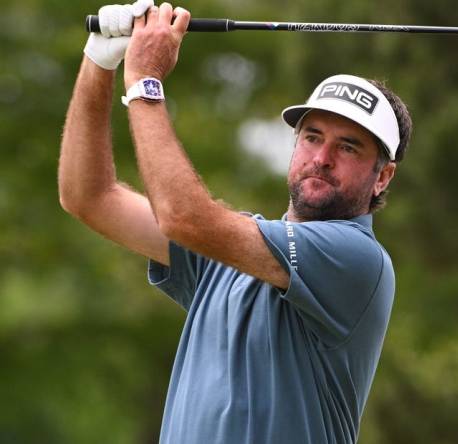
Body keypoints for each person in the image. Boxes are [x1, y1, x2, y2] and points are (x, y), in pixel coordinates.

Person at [58, 1, 412, 442]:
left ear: (382, 176)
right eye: (312, 137)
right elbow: (88, 197)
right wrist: (99, 62)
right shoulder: (227, 253)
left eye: (348, 148)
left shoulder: (357, 258)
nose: (321, 159)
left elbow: (184, 217)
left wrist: (144, 81)